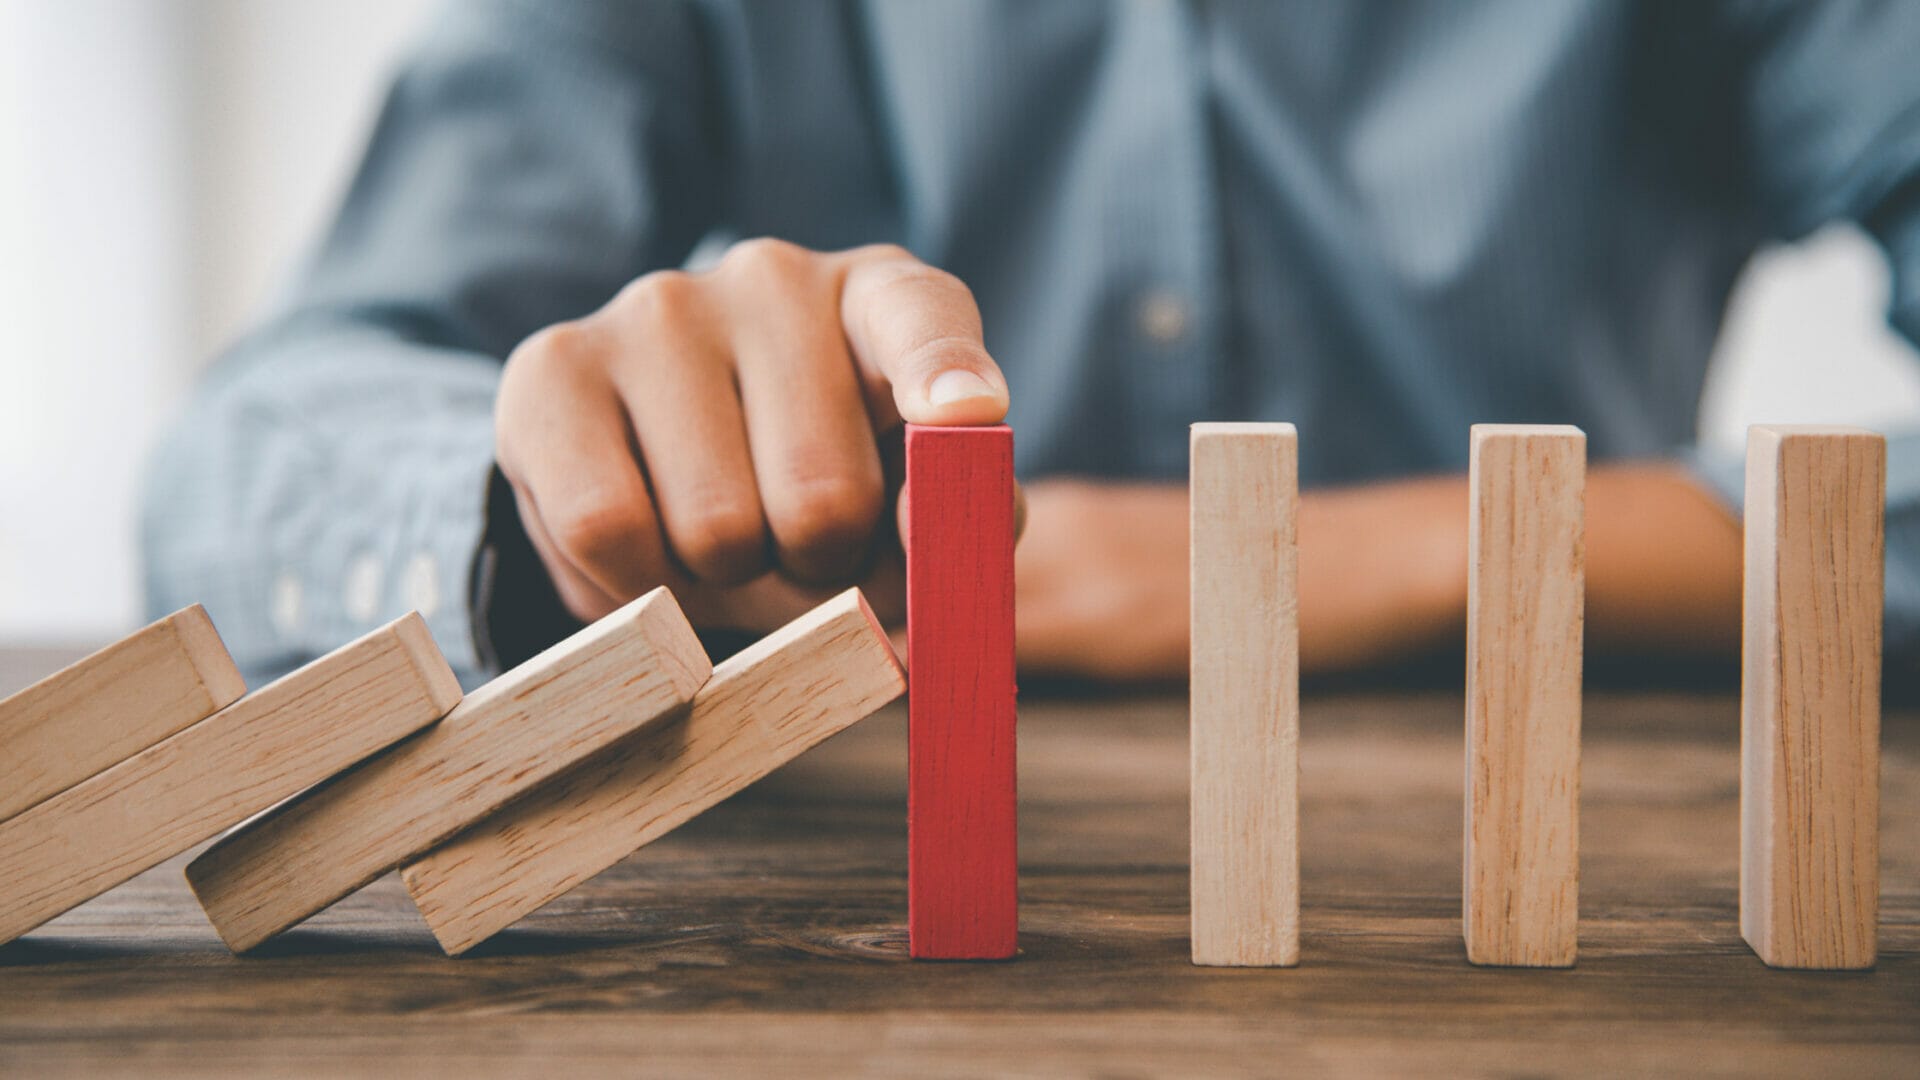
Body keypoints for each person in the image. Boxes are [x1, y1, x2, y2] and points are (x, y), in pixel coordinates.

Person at [144, 0, 1920, 686]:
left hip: (1583, 829)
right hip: (827, 855)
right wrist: (555, 506)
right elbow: (249, 457)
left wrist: (1393, 553)